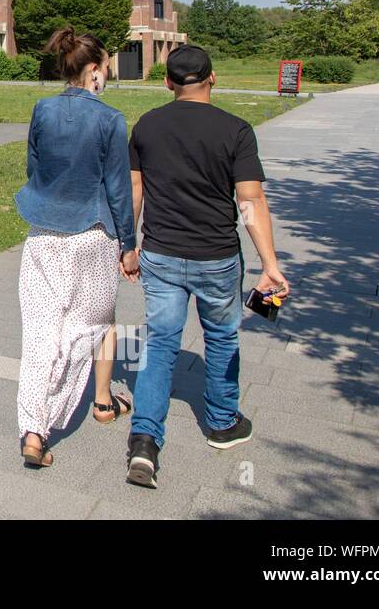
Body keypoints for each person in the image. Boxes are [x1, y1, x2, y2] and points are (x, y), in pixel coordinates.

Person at [124, 44, 290, 488]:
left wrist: (128, 245)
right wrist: (269, 264)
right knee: (221, 338)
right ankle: (220, 423)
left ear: (167, 82)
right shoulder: (236, 131)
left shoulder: (146, 126)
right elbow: (251, 201)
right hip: (217, 257)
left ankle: (144, 442)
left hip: (159, 254)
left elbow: (134, 192)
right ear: (212, 78)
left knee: (159, 344)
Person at [14, 26, 140, 469]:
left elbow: (34, 165)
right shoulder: (110, 119)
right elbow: (119, 189)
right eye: (105, 67)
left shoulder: (42, 110)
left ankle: (34, 429)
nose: (106, 75)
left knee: (40, 332)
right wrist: (129, 244)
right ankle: (93, 403)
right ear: (92, 72)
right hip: (92, 233)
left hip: (44, 233)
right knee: (88, 328)